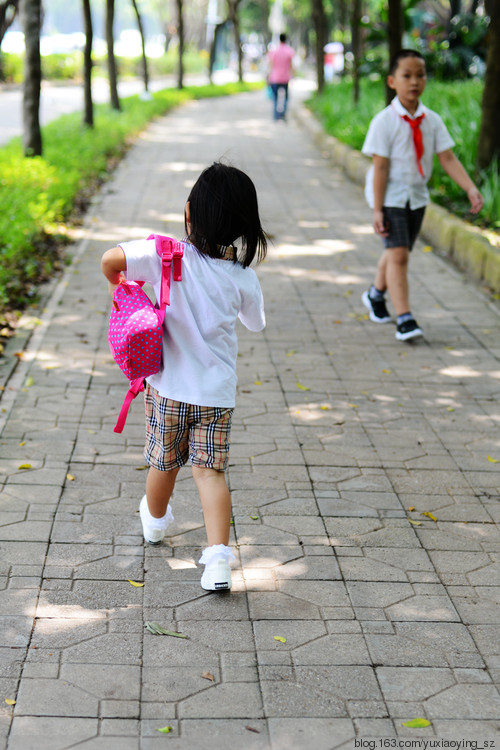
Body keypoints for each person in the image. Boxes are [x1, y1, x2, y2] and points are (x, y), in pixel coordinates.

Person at [101, 162, 267, 591]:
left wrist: (120, 292)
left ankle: (155, 523)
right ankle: (217, 563)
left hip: (169, 388)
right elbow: (255, 323)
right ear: (244, 225)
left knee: (164, 463)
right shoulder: (243, 276)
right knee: (210, 473)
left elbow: (110, 259)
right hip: (216, 395)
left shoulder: (165, 255)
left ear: (189, 212)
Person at [361, 49, 483, 341]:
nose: (414, 82)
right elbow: (380, 168)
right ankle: (404, 318)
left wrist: (470, 187)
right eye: (407, 76)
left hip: (416, 197)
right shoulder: (384, 121)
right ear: (392, 81)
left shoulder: (432, 121)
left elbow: (448, 158)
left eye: (420, 75)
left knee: (395, 251)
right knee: (399, 255)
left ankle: (375, 295)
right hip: (389, 196)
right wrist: (377, 210)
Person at [268, 33, 295, 121]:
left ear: (279, 39)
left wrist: (269, 76)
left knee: (275, 97)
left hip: (275, 78)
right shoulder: (289, 51)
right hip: (285, 78)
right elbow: (291, 65)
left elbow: (271, 65)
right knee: (286, 97)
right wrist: (293, 75)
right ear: (286, 39)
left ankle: (276, 116)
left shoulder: (274, 51)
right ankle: (283, 114)